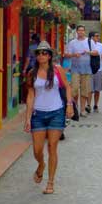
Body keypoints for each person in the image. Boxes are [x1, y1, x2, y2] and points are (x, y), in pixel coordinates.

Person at [24, 41, 73, 194]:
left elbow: (67, 86)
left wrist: (69, 104)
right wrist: (27, 118)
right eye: (38, 53)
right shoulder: (32, 73)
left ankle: (50, 182)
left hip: (56, 113)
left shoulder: (58, 70)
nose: (41, 55)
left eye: (44, 53)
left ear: (50, 56)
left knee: (52, 147)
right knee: (37, 150)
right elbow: (31, 96)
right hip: (38, 114)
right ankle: (41, 165)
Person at [64, 25, 92, 117]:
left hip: (87, 69)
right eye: (79, 30)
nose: (81, 32)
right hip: (75, 69)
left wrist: (88, 52)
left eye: (82, 30)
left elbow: (96, 52)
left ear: (85, 31)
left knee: (84, 90)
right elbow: (66, 55)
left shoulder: (89, 41)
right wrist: (73, 55)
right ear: (76, 31)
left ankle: (82, 110)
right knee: (74, 89)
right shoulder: (72, 43)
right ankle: (73, 106)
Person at [87, 32, 102, 113]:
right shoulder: (87, 45)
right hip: (88, 69)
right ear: (91, 37)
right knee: (89, 89)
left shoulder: (100, 45)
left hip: (98, 69)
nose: (98, 37)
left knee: (97, 89)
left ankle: (95, 105)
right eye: (96, 36)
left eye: (98, 36)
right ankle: (88, 105)